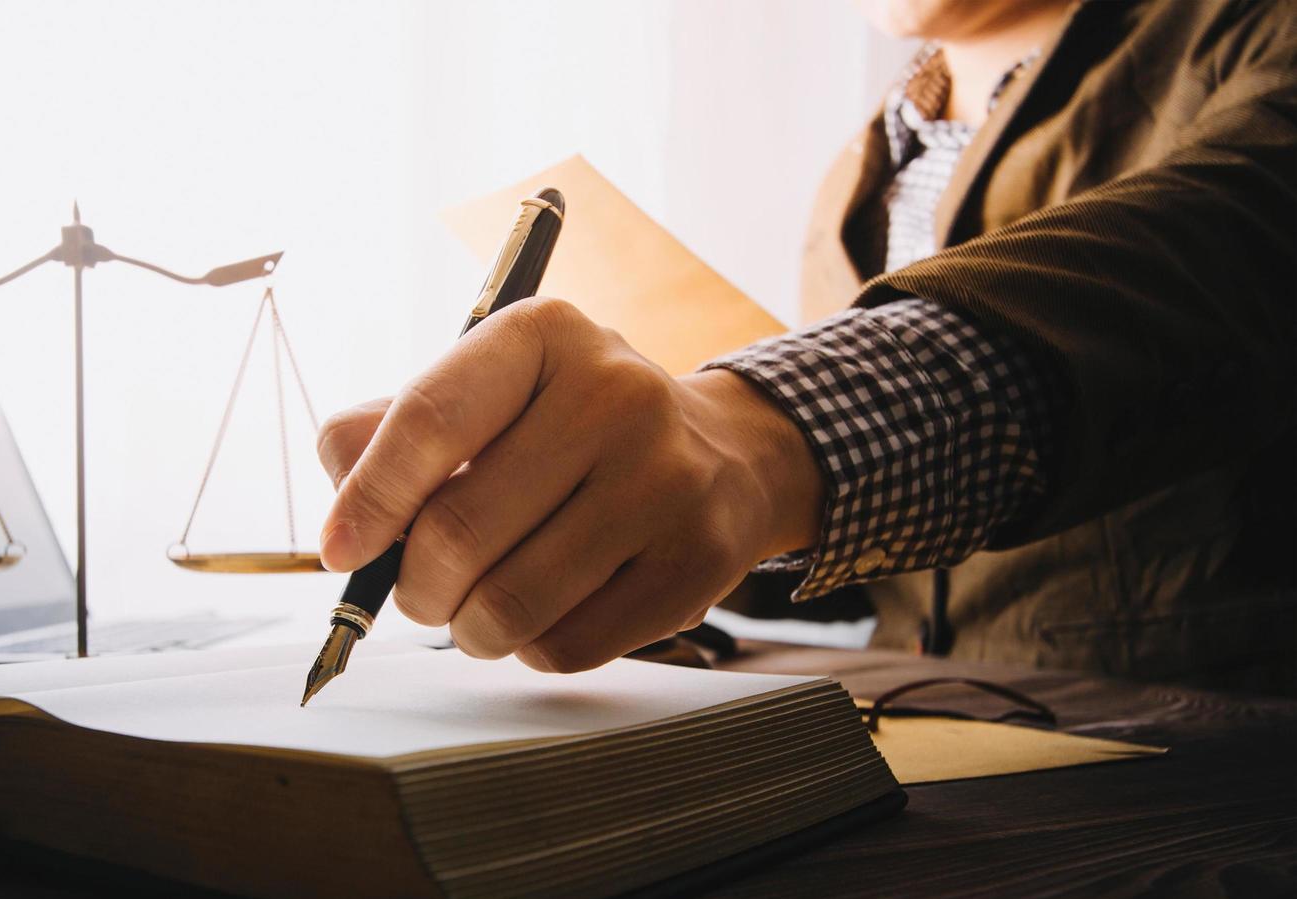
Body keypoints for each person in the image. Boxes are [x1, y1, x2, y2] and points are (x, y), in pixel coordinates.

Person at [315, 0, 1297, 693]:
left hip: (1207, 744)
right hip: (935, 737)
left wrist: (749, 444)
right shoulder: (859, 168)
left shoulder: (1251, 35)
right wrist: (640, 522)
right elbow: (875, 540)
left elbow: (1226, 254)